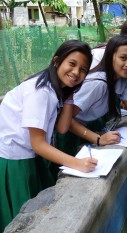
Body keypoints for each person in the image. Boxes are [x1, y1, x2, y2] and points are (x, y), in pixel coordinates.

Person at [0, 40, 98, 232]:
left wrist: (69, 94)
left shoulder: (55, 89)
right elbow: (38, 144)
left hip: (27, 156)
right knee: (22, 218)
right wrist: (78, 163)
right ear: (57, 61)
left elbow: (61, 128)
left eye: (83, 69)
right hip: (14, 160)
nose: (76, 72)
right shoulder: (40, 91)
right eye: (72, 64)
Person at [56, 35, 127, 162]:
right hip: (68, 136)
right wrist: (98, 139)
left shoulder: (123, 82)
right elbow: (65, 120)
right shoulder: (97, 84)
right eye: (123, 58)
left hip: (86, 131)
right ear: (111, 56)